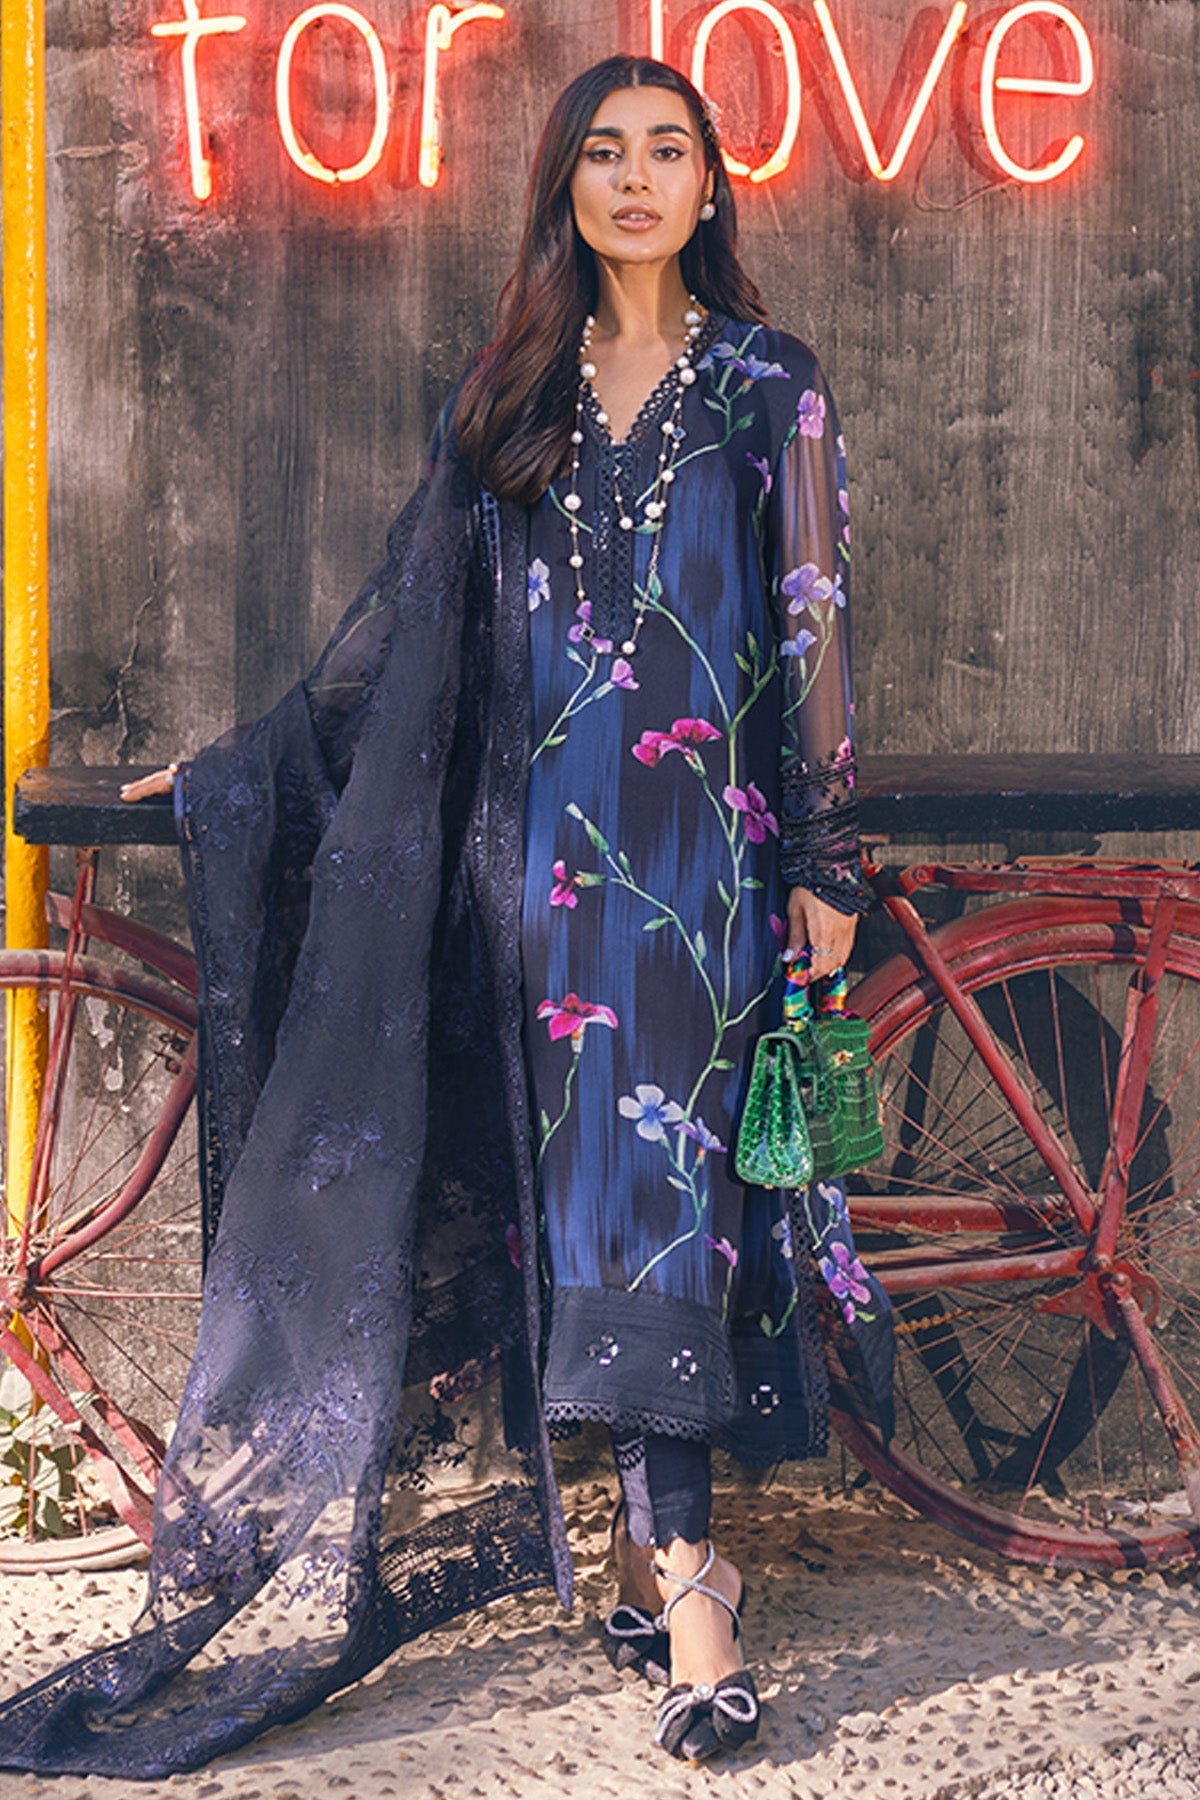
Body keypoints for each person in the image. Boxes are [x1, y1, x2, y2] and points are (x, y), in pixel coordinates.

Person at [0, 55, 891, 1777]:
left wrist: (828, 854)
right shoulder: (510, 394)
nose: (636, 179)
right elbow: (396, 632)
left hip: (704, 879)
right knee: (591, 1216)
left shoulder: (769, 385)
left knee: (665, 1209)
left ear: (712, 185)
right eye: (604, 153)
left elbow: (813, 622)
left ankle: (684, 1576)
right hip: (536, 885)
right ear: (564, 187)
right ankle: (666, 1566)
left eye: (670, 151)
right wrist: (246, 766)